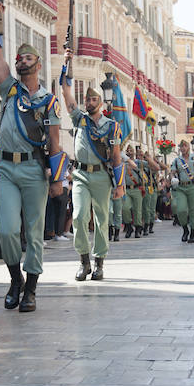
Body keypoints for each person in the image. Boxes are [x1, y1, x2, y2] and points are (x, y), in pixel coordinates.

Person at [0, 0, 63, 313]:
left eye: (27, 57)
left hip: (34, 170)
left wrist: (57, 179)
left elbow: (56, 142)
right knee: (6, 230)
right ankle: (14, 278)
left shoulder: (48, 102)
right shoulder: (9, 90)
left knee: (33, 232)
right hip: (5, 168)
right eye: (19, 58)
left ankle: (31, 289)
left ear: (39, 65)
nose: (20, 61)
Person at [60, 50, 124, 281]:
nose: (88, 102)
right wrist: (66, 65)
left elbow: (116, 156)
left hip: (101, 178)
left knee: (101, 220)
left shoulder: (111, 126)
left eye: (93, 99)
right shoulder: (80, 119)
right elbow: (66, 94)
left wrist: (120, 184)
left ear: (100, 103)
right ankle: (83, 261)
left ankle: (99, 262)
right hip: (80, 176)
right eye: (87, 99)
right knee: (78, 216)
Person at [170, 140, 194, 243]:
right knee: (180, 210)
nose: (183, 148)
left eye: (185, 146)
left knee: (193, 211)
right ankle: (185, 229)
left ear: (189, 147)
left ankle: (193, 233)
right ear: (180, 148)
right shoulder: (177, 160)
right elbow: (172, 172)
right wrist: (173, 178)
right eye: (182, 146)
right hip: (181, 187)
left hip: (192, 187)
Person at [121, 144, 144, 238]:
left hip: (137, 188)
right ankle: (129, 226)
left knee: (137, 210)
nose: (129, 152)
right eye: (127, 151)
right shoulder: (122, 163)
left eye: (131, 151)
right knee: (125, 208)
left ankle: (138, 228)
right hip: (126, 189)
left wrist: (147, 157)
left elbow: (154, 167)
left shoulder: (138, 162)